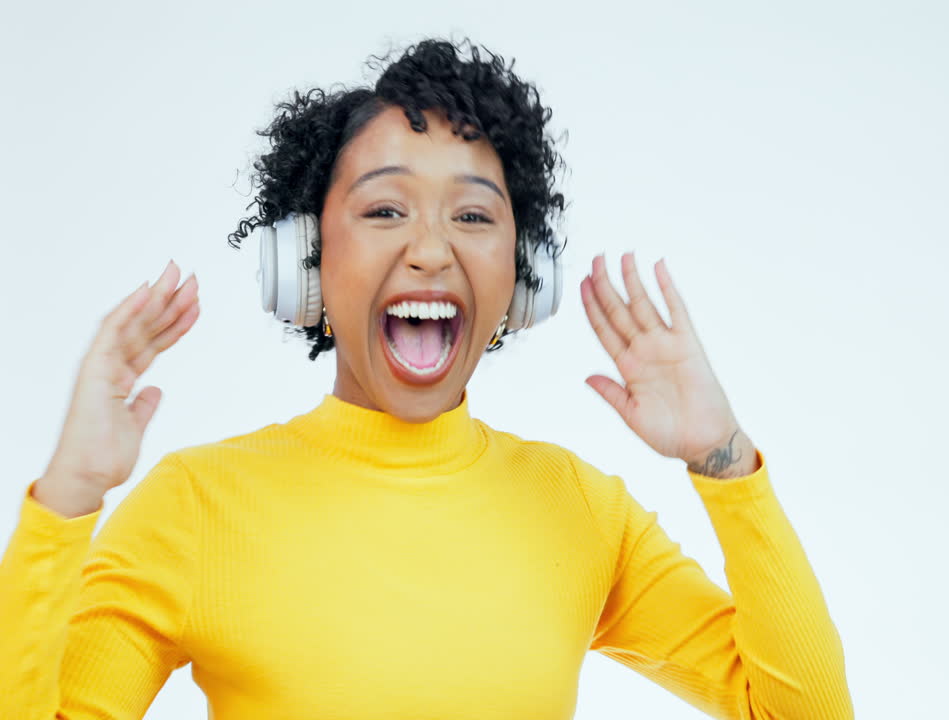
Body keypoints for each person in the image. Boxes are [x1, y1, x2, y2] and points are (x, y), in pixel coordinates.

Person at [0, 38, 853, 719]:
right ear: (306, 261)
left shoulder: (582, 510)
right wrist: (66, 500)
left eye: (474, 216)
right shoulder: (196, 506)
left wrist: (724, 461)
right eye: (384, 209)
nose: (432, 249)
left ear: (521, 278)